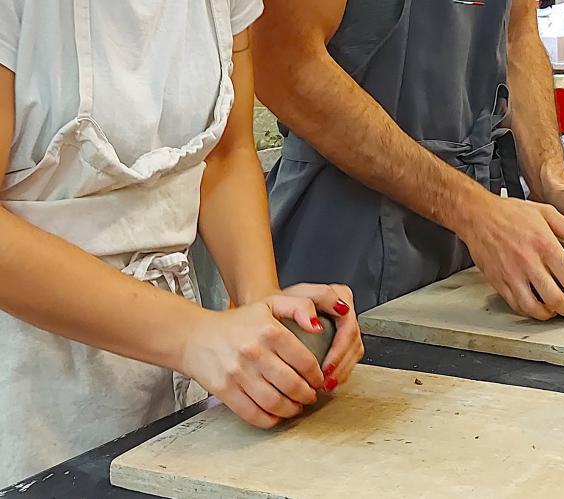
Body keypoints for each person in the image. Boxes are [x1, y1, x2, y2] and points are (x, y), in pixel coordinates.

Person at [0, 1, 363, 487]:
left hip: (166, 363)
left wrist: (265, 315)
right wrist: (194, 337)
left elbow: (226, 153)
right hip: (23, 380)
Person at [253, 0, 564, 322]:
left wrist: (551, 180)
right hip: (341, 232)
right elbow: (286, 64)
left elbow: (517, 36)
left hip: (472, 231)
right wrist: (473, 211)